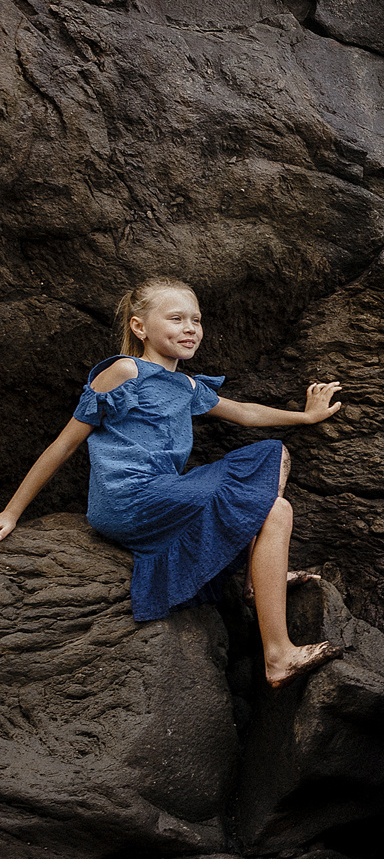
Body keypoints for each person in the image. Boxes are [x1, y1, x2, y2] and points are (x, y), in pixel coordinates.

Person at [0, 276, 342, 687]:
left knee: (273, 453)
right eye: (176, 318)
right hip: (128, 500)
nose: (189, 328)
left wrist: (305, 417)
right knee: (275, 506)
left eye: (195, 320)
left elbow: (246, 413)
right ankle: (278, 655)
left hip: (163, 493)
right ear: (139, 327)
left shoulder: (186, 385)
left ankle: (256, 581)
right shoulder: (124, 371)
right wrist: (10, 512)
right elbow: (64, 445)